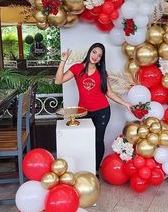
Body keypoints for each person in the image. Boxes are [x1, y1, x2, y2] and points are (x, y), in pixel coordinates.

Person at [55, 43, 132, 173]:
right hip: (83, 112)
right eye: (94, 52)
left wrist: (126, 104)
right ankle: (84, 168)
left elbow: (109, 93)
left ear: (101, 59)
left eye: (100, 55)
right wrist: (63, 61)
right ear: (90, 51)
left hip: (102, 111)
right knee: (85, 140)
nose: (96, 56)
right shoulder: (77, 68)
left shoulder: (102, 73)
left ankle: (94, 170)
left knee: (98, 139)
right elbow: (58, 80)